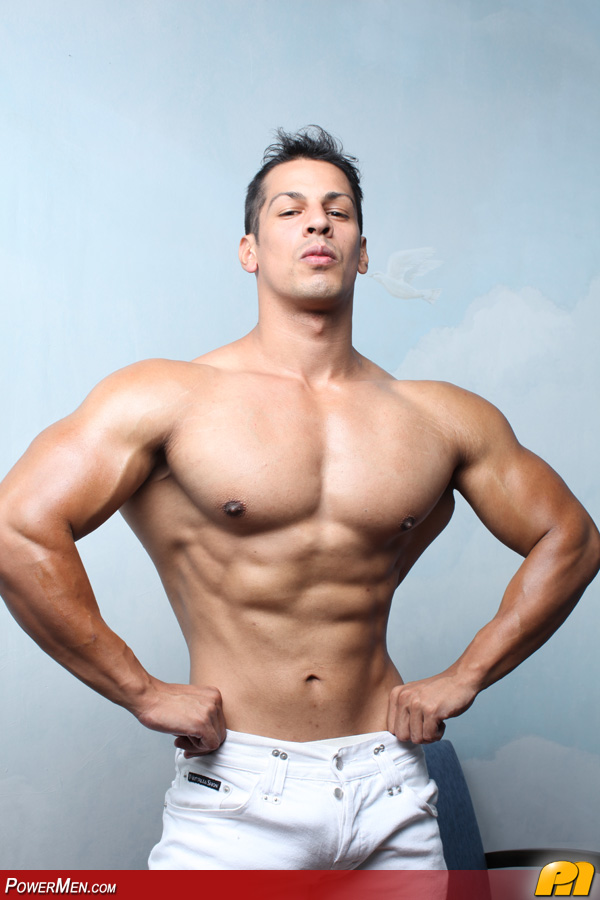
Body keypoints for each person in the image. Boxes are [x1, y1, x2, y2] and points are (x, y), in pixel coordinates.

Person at [0, 126, 598, 872]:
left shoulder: (440, 417)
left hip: (390, 784)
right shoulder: (166, 398)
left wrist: (466, 674)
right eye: (290, 210)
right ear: (249, 250)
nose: (318, 223)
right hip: (236, 793)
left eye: (337, 211)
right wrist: (141, 690)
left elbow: (571, 538)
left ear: (362, 252)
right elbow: (17, 527)